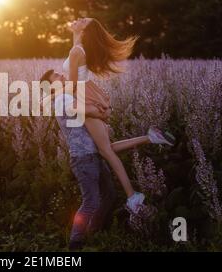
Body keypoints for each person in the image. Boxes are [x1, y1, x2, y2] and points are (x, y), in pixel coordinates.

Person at [40, 70, 174, 249]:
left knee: (109, 194)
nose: (62, 75)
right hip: (83, 159)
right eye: (56, 76)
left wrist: (99, 109)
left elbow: (92, 111)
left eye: (59, 73)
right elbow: (85, 109)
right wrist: (99, 110)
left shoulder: (65, 96)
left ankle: (93, 230)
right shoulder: (61, 100)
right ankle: (75, 242)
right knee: (91, 201)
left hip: (93, 155)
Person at [60, 17, 175, 212]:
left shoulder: (77, 51)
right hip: (89, 94)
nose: (79, 19)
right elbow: (77, 70)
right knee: (107, 147)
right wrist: (75, 33)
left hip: (83, 98)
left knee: (106, 151)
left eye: (83, 21)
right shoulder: (79, 48)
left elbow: (71, 85)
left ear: (86, 31)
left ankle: (132, 196)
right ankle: (150, 137)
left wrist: (70, 101)